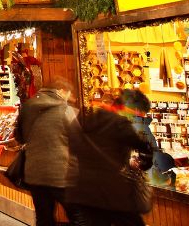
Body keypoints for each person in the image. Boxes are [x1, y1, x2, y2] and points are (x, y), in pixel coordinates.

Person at [65, 92, 154, 226]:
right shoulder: (119, 123)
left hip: (81, 190)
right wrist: (143, 163)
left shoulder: (82, 119)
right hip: (112, 191)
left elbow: (72, 146)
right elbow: (144, 148)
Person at [14, 77, 75, 226]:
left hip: (35, 172)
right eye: (68, 94)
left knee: (43, 217)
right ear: (61, 91)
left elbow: (19, 136)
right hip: (61, 172)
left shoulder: (28, 107)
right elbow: (78, 139)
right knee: (78, 215)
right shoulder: (66, 110)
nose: (70, 98)